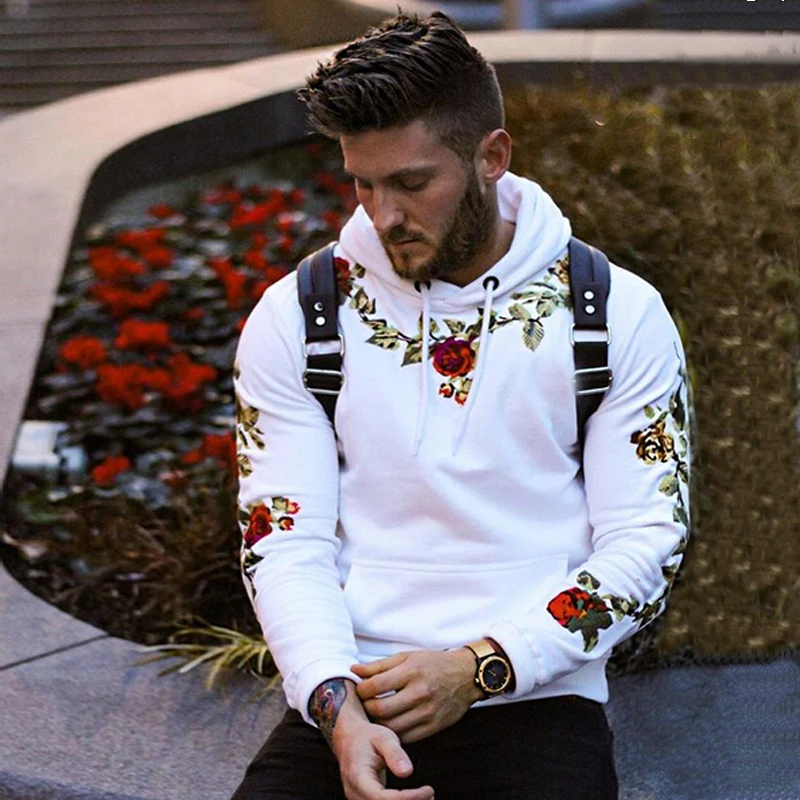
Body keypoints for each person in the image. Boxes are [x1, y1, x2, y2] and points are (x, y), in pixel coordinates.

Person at [230, 11, 690, 800]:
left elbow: (647, 544)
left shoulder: (612, 314)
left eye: (412, 184)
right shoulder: (299, 315)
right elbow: (283, 539)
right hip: (352, 688)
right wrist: (334, 705)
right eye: (364, 184)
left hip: (539, 694)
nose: (384, 215)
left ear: (492, 157)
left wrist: (479, 667)